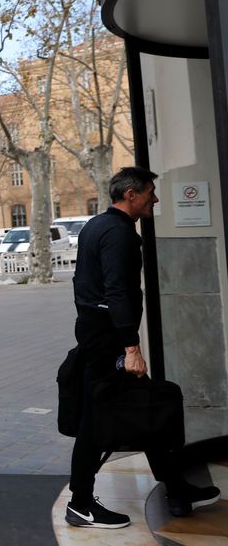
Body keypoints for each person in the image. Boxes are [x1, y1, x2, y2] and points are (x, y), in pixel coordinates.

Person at [67, 167, 220, 528]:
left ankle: (177, 489)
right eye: (150, 192)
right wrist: (130, 346)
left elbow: (83, 285)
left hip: (97, 333)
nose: (155, 199)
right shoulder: (119, 234)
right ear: (131, 195)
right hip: (107, 340)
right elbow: (117, 290)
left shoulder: (95, 226)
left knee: (149, 408)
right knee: (96, 420)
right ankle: (81, 503)